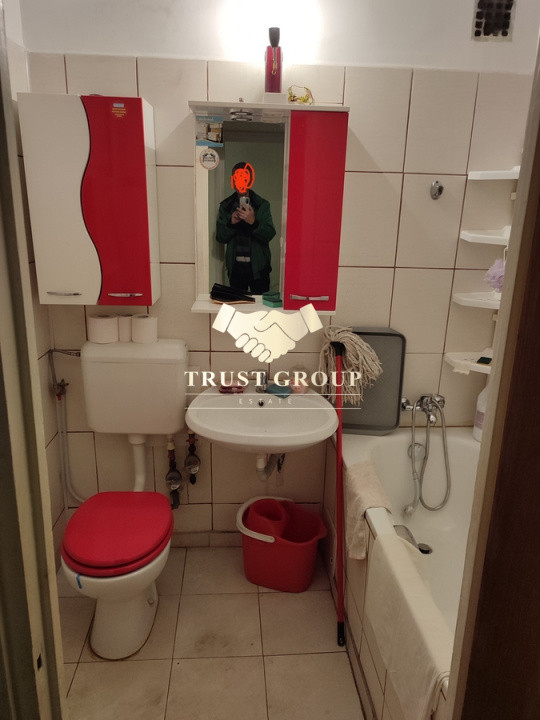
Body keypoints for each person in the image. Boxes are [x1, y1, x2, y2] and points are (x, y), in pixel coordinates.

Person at [216, 161, 276, 293]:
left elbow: (269, 234)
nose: (241, 182)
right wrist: (231, 223)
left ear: (250, 181)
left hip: (259, 269)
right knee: (238, 305)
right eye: (237, 178)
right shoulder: (226, 206)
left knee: (260, 305)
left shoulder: (262, 205)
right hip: (236, 269)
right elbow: (220, 237)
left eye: (244, 178)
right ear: (233, 180)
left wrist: (253, 222)